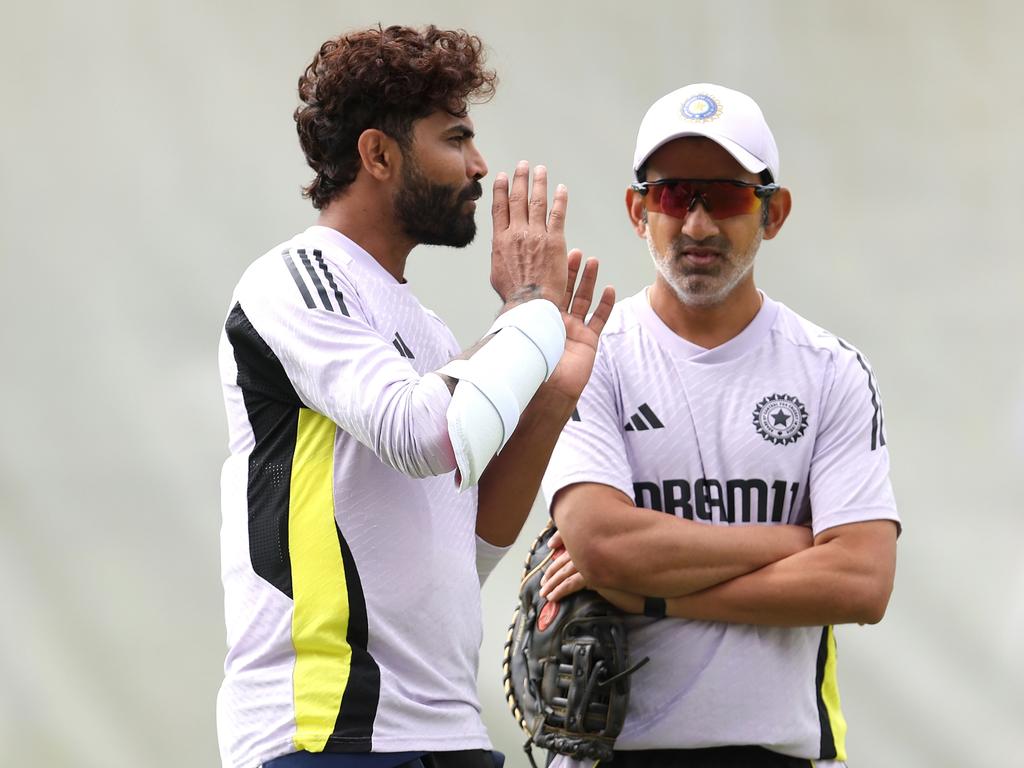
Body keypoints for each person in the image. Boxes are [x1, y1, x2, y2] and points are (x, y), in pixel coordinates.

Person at [216, 25, 614, 768]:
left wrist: (550, 405)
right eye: (455, 137)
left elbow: (460, 556)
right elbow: (423, 435)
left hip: (447, 735)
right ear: (378, 154)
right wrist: (527, 306)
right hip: (327, 734)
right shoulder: (295, 278)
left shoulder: (428, 336)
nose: (479, 164)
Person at [538, 83, 900, 768]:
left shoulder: (830, 370)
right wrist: (797, 541)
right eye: (675, 195)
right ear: (637, 210)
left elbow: (861, 582)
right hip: (612, 754)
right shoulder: (590, 356)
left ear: (774, 212)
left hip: (777, 753)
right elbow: (602, 545)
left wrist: (657, 597)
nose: (698, 225)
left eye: (727, 196)